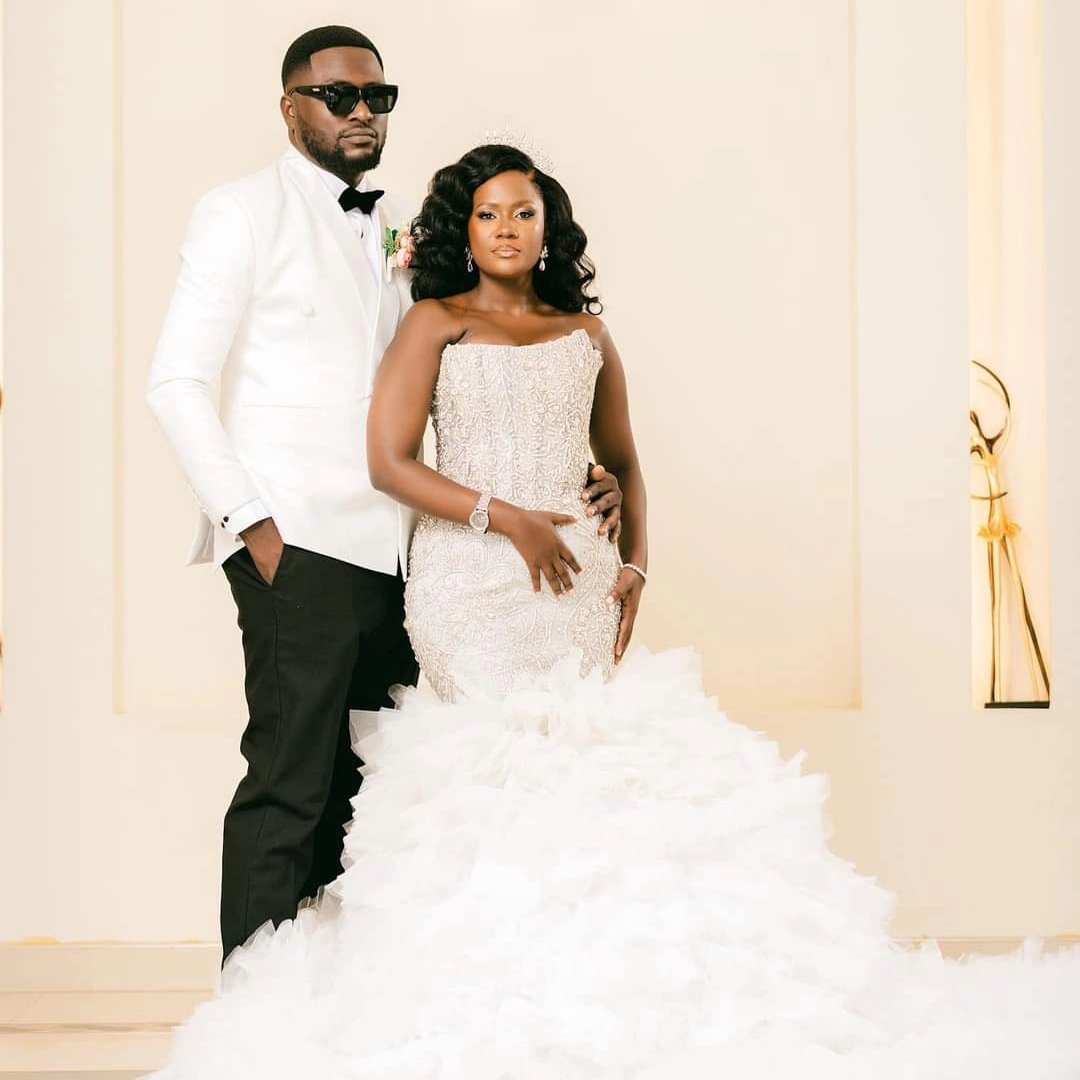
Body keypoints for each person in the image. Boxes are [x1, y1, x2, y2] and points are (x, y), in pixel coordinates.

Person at [153, 144, 1080, 1079]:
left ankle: (595, 995)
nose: (507, 229)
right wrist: (506, 518)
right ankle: (478, 993)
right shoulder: (433, 321)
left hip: (575, 586)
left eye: (524, 213)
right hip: (468, 582)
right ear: (463, 231)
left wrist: (634, 563)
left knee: (584, 768)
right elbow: (388, 461)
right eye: (488, 214)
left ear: (548, 227)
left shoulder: (587, 333)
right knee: (489, 765)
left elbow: (625, 463)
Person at [146, 28, 622, 965]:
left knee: (369, 788)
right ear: (291, 107)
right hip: (295, 535)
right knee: (290, 779)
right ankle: (255, 1013)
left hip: (409, 553)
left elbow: (478, 364)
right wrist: (251, 524)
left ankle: (335, 995)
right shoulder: (239, 212)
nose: (361, 111)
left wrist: (581, 465)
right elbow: (175, 384)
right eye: (338, 96)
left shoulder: (406, 220)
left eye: (377, 96)